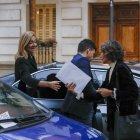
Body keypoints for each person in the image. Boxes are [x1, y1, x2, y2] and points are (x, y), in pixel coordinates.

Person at [61, 39, 112, 126]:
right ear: (88, 51)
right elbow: (86, 83)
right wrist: (97, 94)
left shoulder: (75, 59)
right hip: (81, 108)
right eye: (93, 52)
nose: (93, 55)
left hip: (73, 105)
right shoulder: (83, 61)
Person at [97, 40, 139, 140]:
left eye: (102, 52)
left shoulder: (121, 68)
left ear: (109, 53)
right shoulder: (111, 69)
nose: (100, 55)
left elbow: (134, 93)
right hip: (114, 119)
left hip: (122, 118)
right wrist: (79, 93)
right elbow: (102, 89)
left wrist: (111, 93)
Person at [15, 31, 60, 97]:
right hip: (24, 97)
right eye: (31, 42)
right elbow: (27, 79)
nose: (35, 44)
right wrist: (48, 84)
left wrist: (49, 66)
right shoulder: (21, 59)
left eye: (35, 42)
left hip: (31, 94)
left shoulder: (30, 57)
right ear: (24, 44)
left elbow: (33, 71)